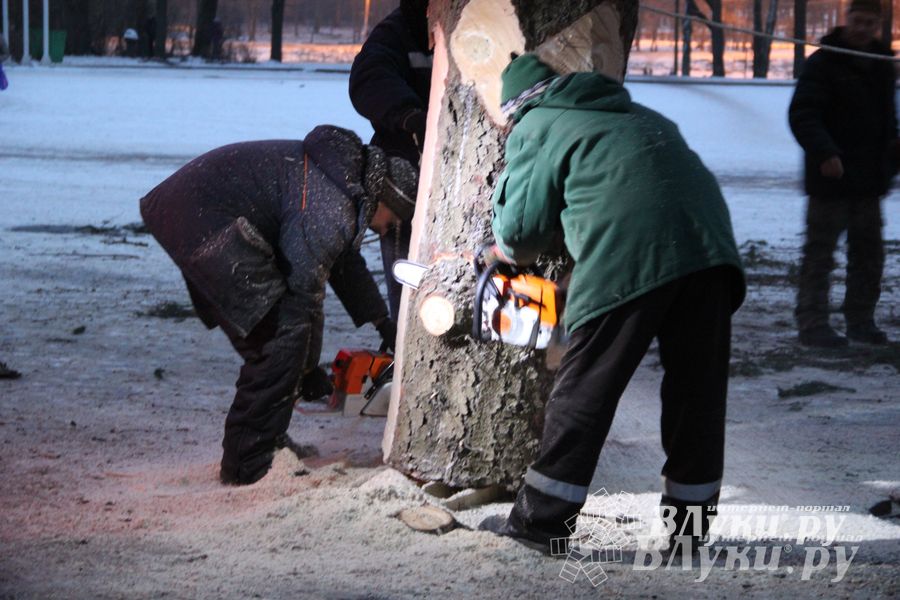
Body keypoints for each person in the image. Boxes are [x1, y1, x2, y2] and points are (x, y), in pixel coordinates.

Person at [483, 54, 746, 553]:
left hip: (630, 258)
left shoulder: (538, 123)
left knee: (586, 389)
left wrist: (498, 251)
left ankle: (541, 525)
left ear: (516, 108)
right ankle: (689, 535)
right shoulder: (643, 115)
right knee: (697, 397)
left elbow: (520, 233)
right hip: (710, 255)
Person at [140, 126, 417, 485]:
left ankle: (268, 441)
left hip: (195, 209)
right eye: (392, 222)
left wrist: (382, 322)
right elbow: (302, 294)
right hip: (202, 218)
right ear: (385, 200)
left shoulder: (343, 182)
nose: (387, 231)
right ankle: (249, 464)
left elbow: (341, 263)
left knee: (285, 336)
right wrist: (304, 368)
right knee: (278, 342)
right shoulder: (330, 204)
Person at [788, 0, 896, 347]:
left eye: (870, 23)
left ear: (879, 25)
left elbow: (887, 125)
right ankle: (812, 323)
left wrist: (891, 161)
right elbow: (803, 113)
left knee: (868, 256)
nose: (863, 28)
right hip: (830, 179)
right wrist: (825, 152)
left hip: (868, 182)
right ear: (845, 19)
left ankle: (861, 321)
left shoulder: (883, 65)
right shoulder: (823, 62)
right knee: (820, 254)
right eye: (858, 20)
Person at [349, 0, 431, 320]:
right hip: (404, 176)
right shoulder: (395, 33)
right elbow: (370, 77)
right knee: (406, 274)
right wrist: (409, 116)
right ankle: (403, 332)